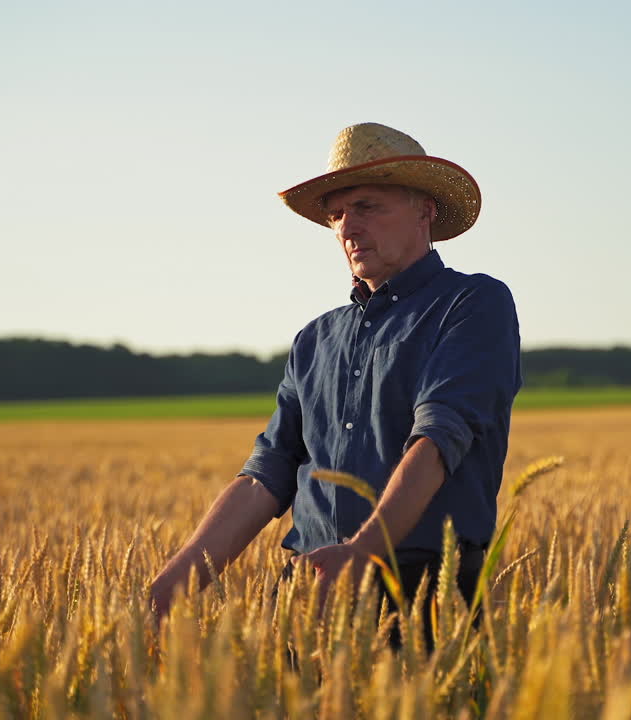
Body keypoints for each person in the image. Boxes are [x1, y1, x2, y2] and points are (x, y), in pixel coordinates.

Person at [149, 122, 521, 620]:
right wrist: (172, 583)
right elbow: (268, 474)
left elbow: (437, 439)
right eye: (337, 214)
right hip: (308, 591)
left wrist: (364, 553)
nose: (347, 228)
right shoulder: (314, 339)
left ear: (424, 210)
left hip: (424, 595)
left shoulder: (472, 303)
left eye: (367, 206)